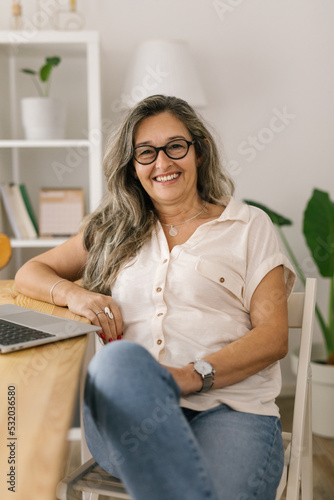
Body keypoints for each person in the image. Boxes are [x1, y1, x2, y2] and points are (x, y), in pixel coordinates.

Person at [15, 94, 296, 500]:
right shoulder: (112, 230)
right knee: (117, 361)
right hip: (129, 410)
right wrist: (75, 295)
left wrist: (189, 375)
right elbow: (30, 272)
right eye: (146, 153)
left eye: (175, 147)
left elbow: (274, 337)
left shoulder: (248, 225)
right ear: (133, 167)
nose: (162, 163)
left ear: (198, 152)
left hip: (232, 409)